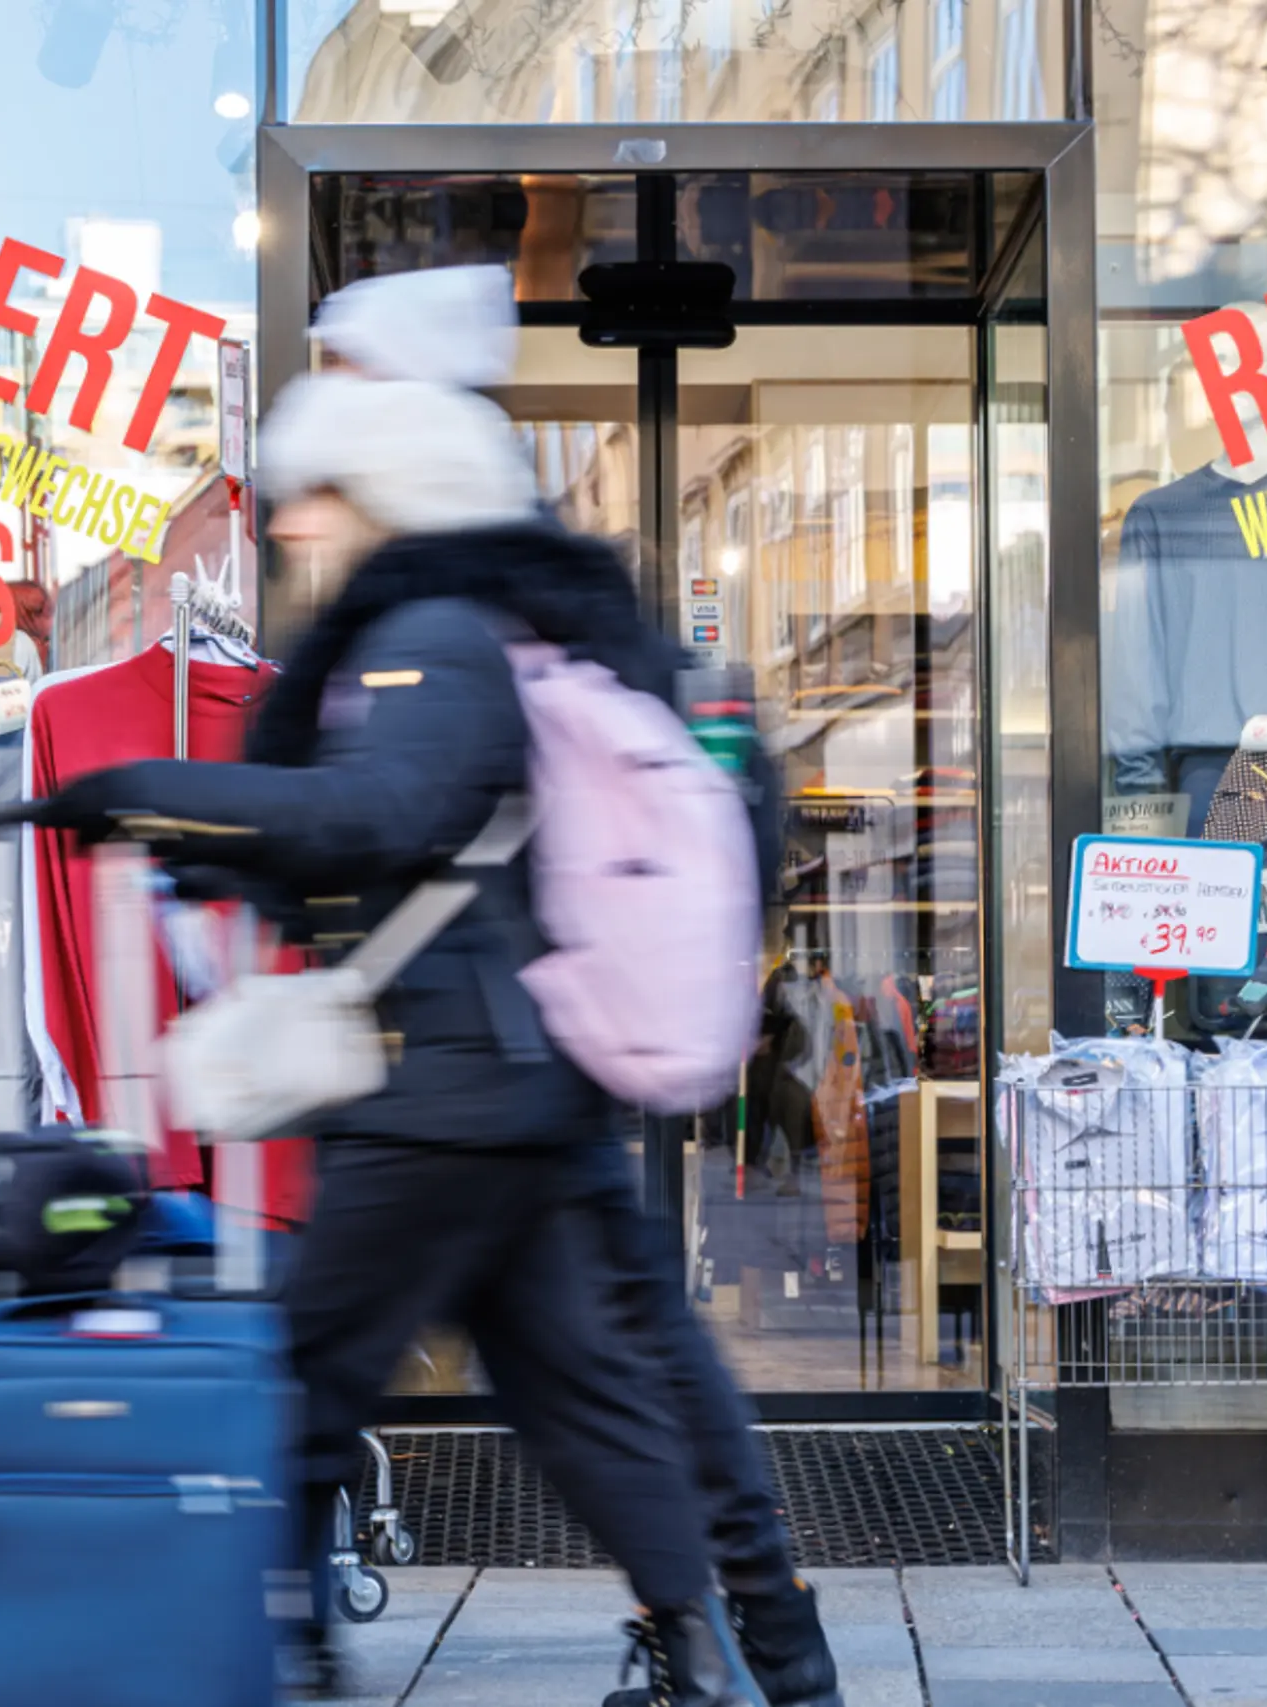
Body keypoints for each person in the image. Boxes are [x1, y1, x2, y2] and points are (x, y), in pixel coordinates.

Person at [10, 371, 770, 1707]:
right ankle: (691, 1652)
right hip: (505, 1092)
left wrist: (145, 793)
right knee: (577, 1397)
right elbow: (382, 843)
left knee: (305, 1375)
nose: (294, 526)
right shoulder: (460, 629)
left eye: (318, 496)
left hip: (439, 1096)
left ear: (385, 497)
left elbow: (387, 813)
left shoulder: (430, 632)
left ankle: (279, 1642)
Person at [312, 264, 841, 1707]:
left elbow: (428, 809)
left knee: (619, 1364)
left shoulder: (466, 571)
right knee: (618, 1363)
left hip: (524, 1041)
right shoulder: (533, 567)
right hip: (548, 1037)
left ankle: (747, 1646)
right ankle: (746, 1643)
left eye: (347, 376)